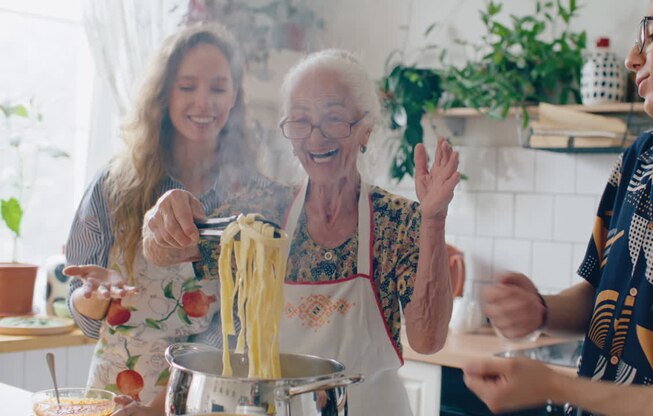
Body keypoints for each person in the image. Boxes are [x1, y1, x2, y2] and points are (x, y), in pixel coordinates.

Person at [134, 49, 459, 416]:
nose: (316, 138)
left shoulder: (397, 222)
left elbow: (428, 341)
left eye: (334, 119)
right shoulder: (260, 214)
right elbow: (166, 251)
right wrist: (160, 217)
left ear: (365, 128)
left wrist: (434, 219)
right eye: (301, 122)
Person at [464, 0, 653, 414]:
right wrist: (541, 309)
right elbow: (602, 294)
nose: (633, 58)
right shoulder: (641, 159)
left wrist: (562, 386)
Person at [63, 22, 272, 404]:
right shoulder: (114, 186)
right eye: (187, 86)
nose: (203, 102)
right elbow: (86, 321)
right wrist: (93, 295)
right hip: (112, 397)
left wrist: (163, 406)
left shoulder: (250, 200)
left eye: (218, 88)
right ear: (163, 94)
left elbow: (238, 328)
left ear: (234, 98)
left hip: (202, 398)